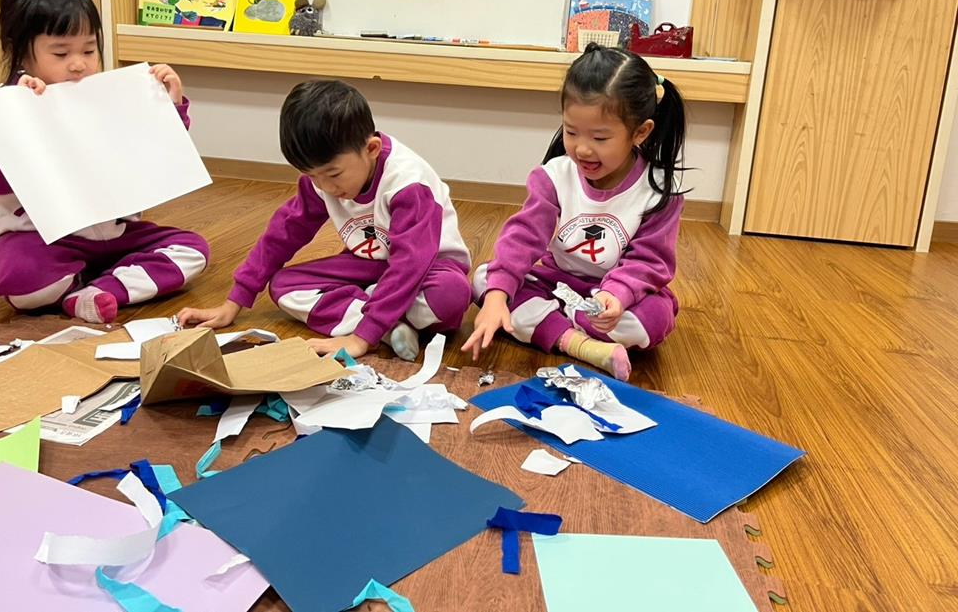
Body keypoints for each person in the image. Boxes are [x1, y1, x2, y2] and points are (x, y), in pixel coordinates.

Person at [0, 0, 209, 323]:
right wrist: (15, 116)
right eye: (61, 53)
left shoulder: (106, 96)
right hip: (39, 239)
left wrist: (168, 106)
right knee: (27, 285)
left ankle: (94, 291)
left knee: (193, 251)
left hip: (114, 232)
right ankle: (93, 280)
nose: (79, 63)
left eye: (89, 49)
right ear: (22, 51)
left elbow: (152, 152)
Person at [178, 79, 472, 361]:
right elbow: (284, 233)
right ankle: (388, 325)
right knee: (283, 285)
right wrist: (234, 301)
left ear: (371, 149)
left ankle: (372, 319)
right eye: (312, 176)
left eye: (333, 174)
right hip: (369, 267)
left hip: (428, 269)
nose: (325, 187)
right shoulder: (321, 181)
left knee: (451, 296)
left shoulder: (408, 184)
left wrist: (361, 339)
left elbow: (410, 264)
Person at [462, 44, 685, 380]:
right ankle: (580, 344)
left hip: (612, 297)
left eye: (600, 138)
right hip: (555, 282)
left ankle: (556, 326)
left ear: (640, 132)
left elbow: (649, 261)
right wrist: (497, 296)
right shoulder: (554, 176)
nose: (582, 148)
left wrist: (616, 296)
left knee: (653, 317)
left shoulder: (657, 191)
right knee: (485, 281)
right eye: (571, 132)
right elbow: (523, 238)